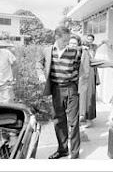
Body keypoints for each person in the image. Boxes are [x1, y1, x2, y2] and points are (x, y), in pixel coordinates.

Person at [36, 26, 82, 159]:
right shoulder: (47, 50)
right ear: (57, 38)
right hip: (56, 89)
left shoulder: (75, 51)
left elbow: (84, 64)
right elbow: (38, 63)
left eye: (69, 40)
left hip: (71, 88)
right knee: (58, 121)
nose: (67, 43)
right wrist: (41, 75)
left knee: (73, 122)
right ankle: (62, 150)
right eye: (65, 40)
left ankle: (75, 153)